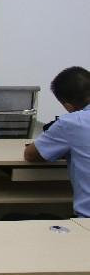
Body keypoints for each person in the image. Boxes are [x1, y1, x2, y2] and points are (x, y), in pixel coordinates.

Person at [24, 67, 90, 217]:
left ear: (68, 106)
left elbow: (31, 155)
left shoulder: (72, 122)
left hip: (86, 224)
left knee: (10, 218)